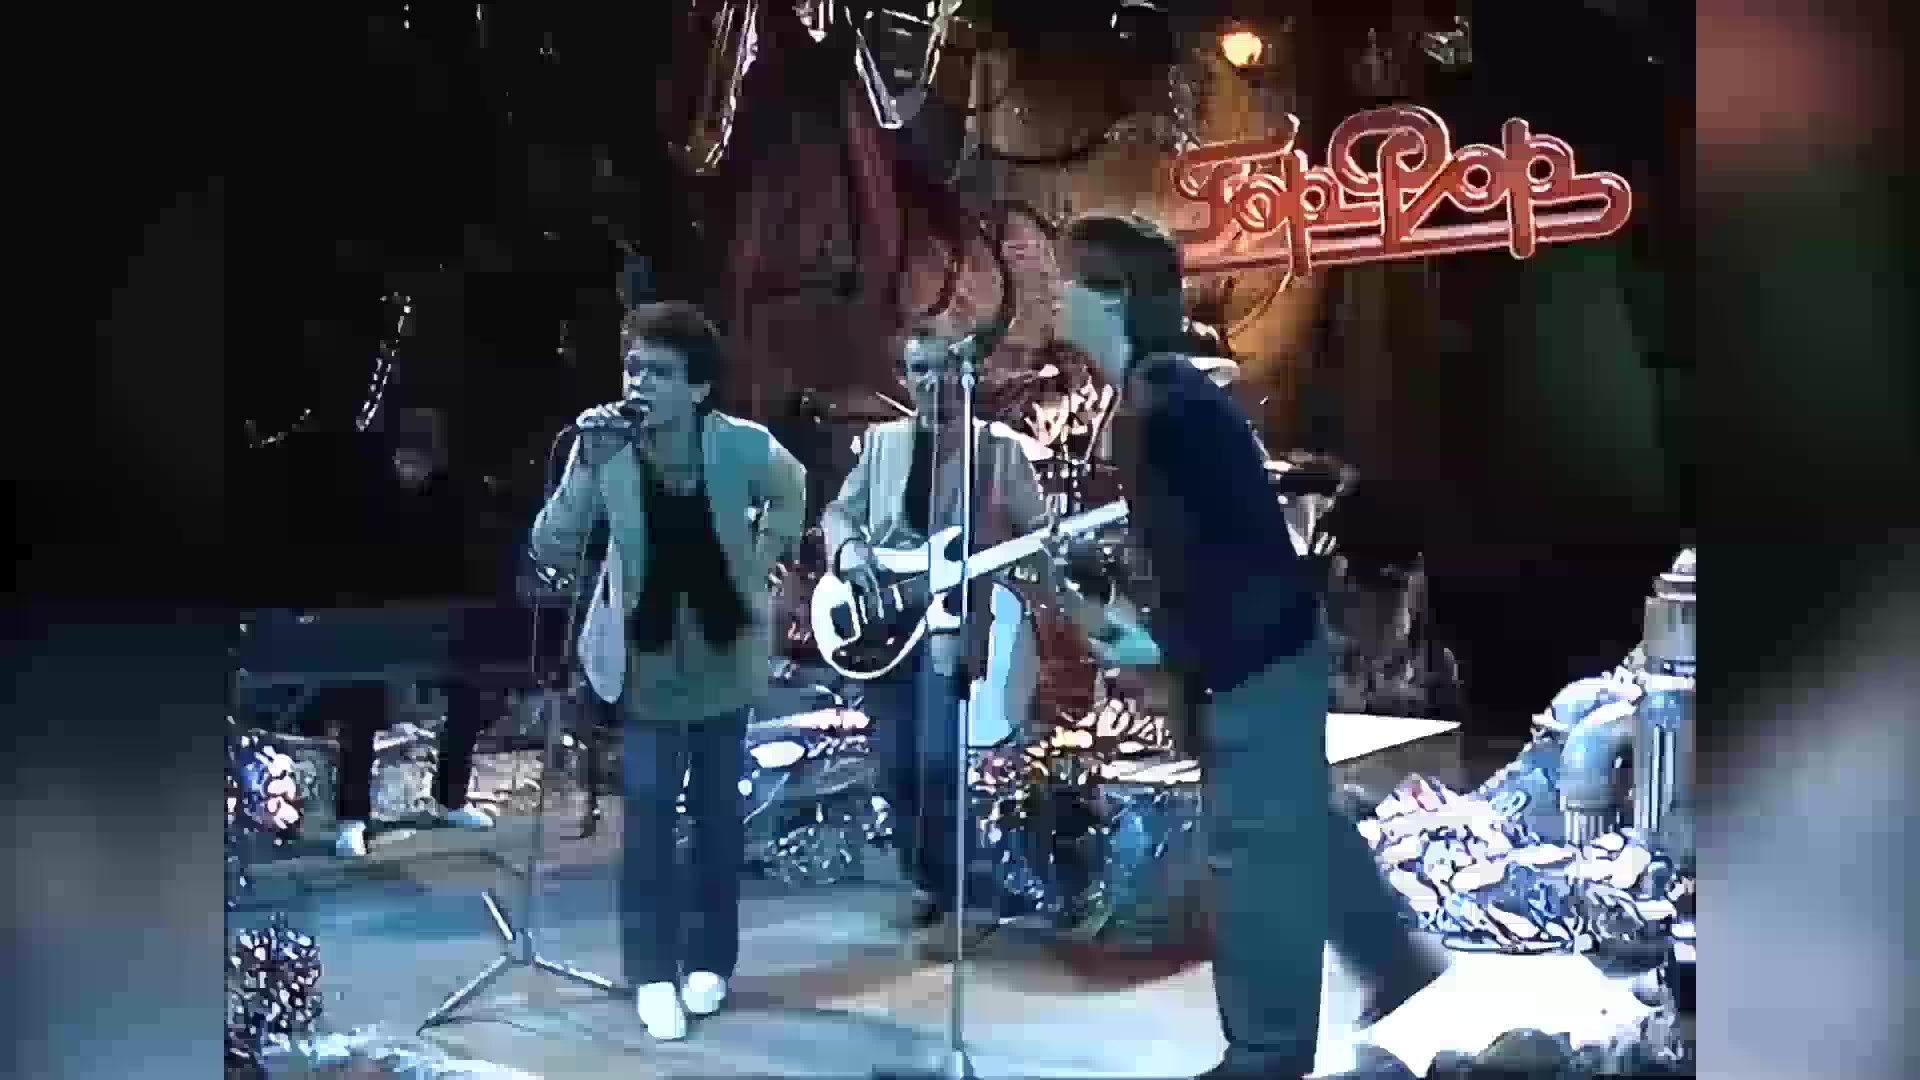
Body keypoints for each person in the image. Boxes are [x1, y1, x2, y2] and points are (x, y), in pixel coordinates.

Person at [1055, 213, 1446, 1080]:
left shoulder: (1161, 405)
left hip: (1252, 655)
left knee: (1257, 857)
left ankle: (1267, 1054)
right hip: (1267, 644)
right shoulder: (1164, 392)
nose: (1056, 294)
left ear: (1113, 298)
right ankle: (1393, 958)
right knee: (1294, 818)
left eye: (1070, 279)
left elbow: (1202, 561)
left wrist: (1168, 661)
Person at [529, 302, 806, 1040]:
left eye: (658, 372)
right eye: (632, 369)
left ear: (698, 388)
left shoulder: (741, 446)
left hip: (723, 658)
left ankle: (711, 959)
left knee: (717, 819)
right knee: (648, 822)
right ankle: (652, 971)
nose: (639, 384)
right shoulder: (608, 450)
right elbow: (551, 546)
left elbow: (793, 488)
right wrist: (585, 469)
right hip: (646, 663)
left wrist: (761, 558)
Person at [818, 322, 1056, 936]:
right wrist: (848, 551)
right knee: (894, 766)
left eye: (944, 367)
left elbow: (1038, 534)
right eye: (919, 369)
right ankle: (928, 879)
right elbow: (839, 511)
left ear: (966, 373)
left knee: (936, 760)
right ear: (903, 377)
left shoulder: (997, 451)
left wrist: (1045, 557)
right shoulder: (881, 443)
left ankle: (960, 888)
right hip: (881, 621)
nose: (933, 381)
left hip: (951, 621)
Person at [298, 408, 497, 857]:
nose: (410, 469)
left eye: (419, 461)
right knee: (360, 708)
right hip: (374, 613)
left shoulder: (453, 494)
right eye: (403, 460)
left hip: (438, 614)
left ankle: (451, 799)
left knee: (470, 693)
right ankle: (352, 818)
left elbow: (466, 559)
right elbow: (348, 555)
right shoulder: (368, 492)